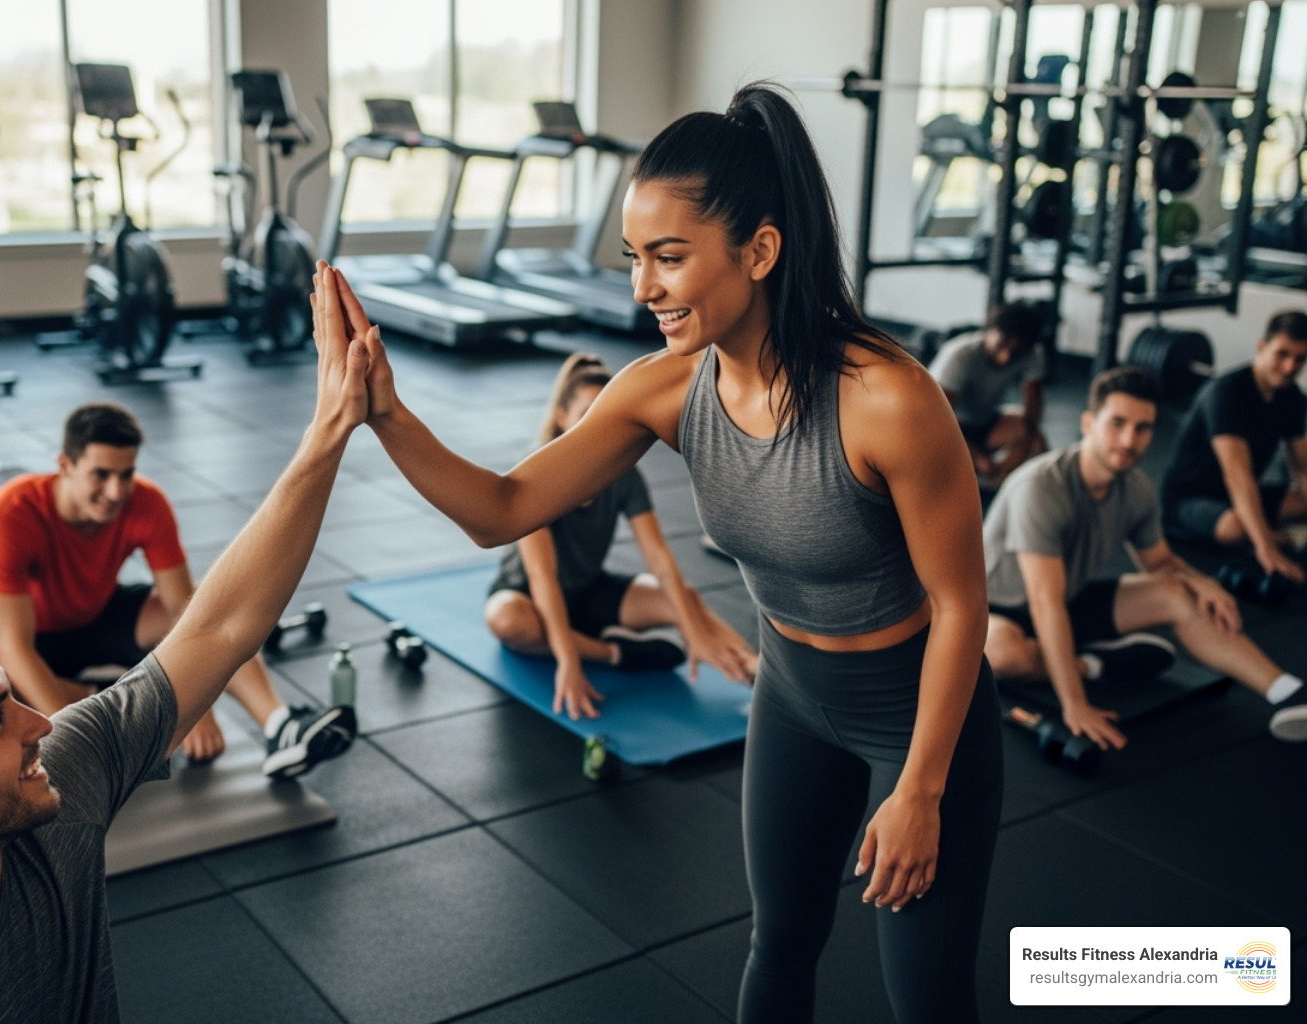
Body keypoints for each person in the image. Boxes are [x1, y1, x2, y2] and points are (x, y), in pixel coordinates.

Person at [329, 82, 1001, 1024]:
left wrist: (923, 787)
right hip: (796, 697)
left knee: (925, 998)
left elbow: (963, 605)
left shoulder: (889, 399)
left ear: (759, 250)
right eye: (634, 258)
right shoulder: (660, 390)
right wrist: (384, 413)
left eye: (669, 257)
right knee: (781, 945)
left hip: (919, 715)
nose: (641, 287)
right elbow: (504, 508)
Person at [0, 305, 370, 1022]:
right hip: (30, 635)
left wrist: (332, 425)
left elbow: (216, 625)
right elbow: (15, 645)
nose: (39, 727)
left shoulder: (64, 783)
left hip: (95, 625)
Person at [0, 401, 325, 777]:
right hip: (16, 636)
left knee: (213, 604)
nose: (116, 491)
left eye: (126, 474)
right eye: (100, 475)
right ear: (65, 466)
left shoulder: (146, 502)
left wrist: (193, 708)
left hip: (94, 617)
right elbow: (13, 645)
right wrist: (75, 743)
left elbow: (187, 613)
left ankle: (281, 725)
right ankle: (94, 694)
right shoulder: (11, 512)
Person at [983, 366, 1307, 750]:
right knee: (1003, 657)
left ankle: (1287, 691)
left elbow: (1160, 563)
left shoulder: (1135, 489)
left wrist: (1203, 583)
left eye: (1143, 428)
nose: (1129, 440)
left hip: (1066, 599)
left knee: (1180, 594)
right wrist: (1075, 705)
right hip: (995, 608)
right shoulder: (1042, 488)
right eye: (1117, 423)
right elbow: (1043, 602)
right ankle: (1093, 663)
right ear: (1088, 422)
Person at [486, 352, 757, 719]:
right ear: (562, 418)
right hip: (531, 600)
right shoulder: (538, 475)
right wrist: (569, 662)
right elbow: (542, 577)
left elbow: (659, 559)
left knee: (684, 598)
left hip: (588, 593)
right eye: (584, 416)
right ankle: (616, 652)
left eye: (600, 418)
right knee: (506, 620)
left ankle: (759, 672)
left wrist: (693, 631)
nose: (592, 431)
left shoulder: (623, 475)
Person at [1161, 310, 1307, 580]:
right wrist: (1268, 548)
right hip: (1188, 500)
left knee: (1303, 503)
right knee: (1236, 527)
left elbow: (1303, 468)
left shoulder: (1293, 398)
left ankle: (1267, 530)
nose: (1290, 367)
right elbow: (1237, 474)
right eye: (1282, 354)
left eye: (1300, 359)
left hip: (1238, 495)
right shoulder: (1226, 393)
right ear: (1262, 347)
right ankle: (1271, 535)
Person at [928, 300, 1049, 488]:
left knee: (1036, 442)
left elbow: (1033, 402)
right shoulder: (959, 356)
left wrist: (1027, 439)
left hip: (985, 422)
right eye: (1002, 345)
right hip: (946, 426)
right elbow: (937, 420)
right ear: (989, 331)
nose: (1006, 357)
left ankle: (994, 479)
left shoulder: (1032, 353)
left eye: (1015, 351)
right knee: (935, 458)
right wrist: (976, 457)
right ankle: (975, 474)